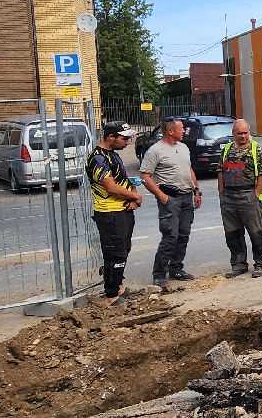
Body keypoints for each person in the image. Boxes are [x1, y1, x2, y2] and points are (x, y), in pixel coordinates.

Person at [138, 117, 201, 291]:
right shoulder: (155, 150)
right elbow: (145, 176)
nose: (184, 131)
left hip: (186, 197)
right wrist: (161, 196)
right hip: (170, 198)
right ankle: (159, 274)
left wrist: (196, 191)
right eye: (181, 129)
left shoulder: (183, 147)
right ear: (170, 131)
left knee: (183, 234)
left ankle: (176, 268)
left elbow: (189, 170)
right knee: (170, 236)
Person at [86, 121, 142, 306]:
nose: (128, 141)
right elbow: (110, 186)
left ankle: (118, 287)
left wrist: (132, 199)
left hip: (122, 210)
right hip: (110, 214)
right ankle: (111, 296)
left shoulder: (112, 155)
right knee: (114, 254)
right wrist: (135, 196)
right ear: (111, 137)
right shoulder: (98, 159)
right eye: (124, 138)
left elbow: (121, 180)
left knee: (123, 250)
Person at [218, 119, 262, 278]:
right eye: (239, 133)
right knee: (232, 233)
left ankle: (261, 263)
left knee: (255, 232)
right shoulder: (227, 149)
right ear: (233, 133)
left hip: (248, 195)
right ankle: (238, 264)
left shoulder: (256, 149)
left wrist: (255, 194)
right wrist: (221, 192)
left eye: (245, 133)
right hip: (229, 197)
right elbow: (220, 171)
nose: (243, 136)